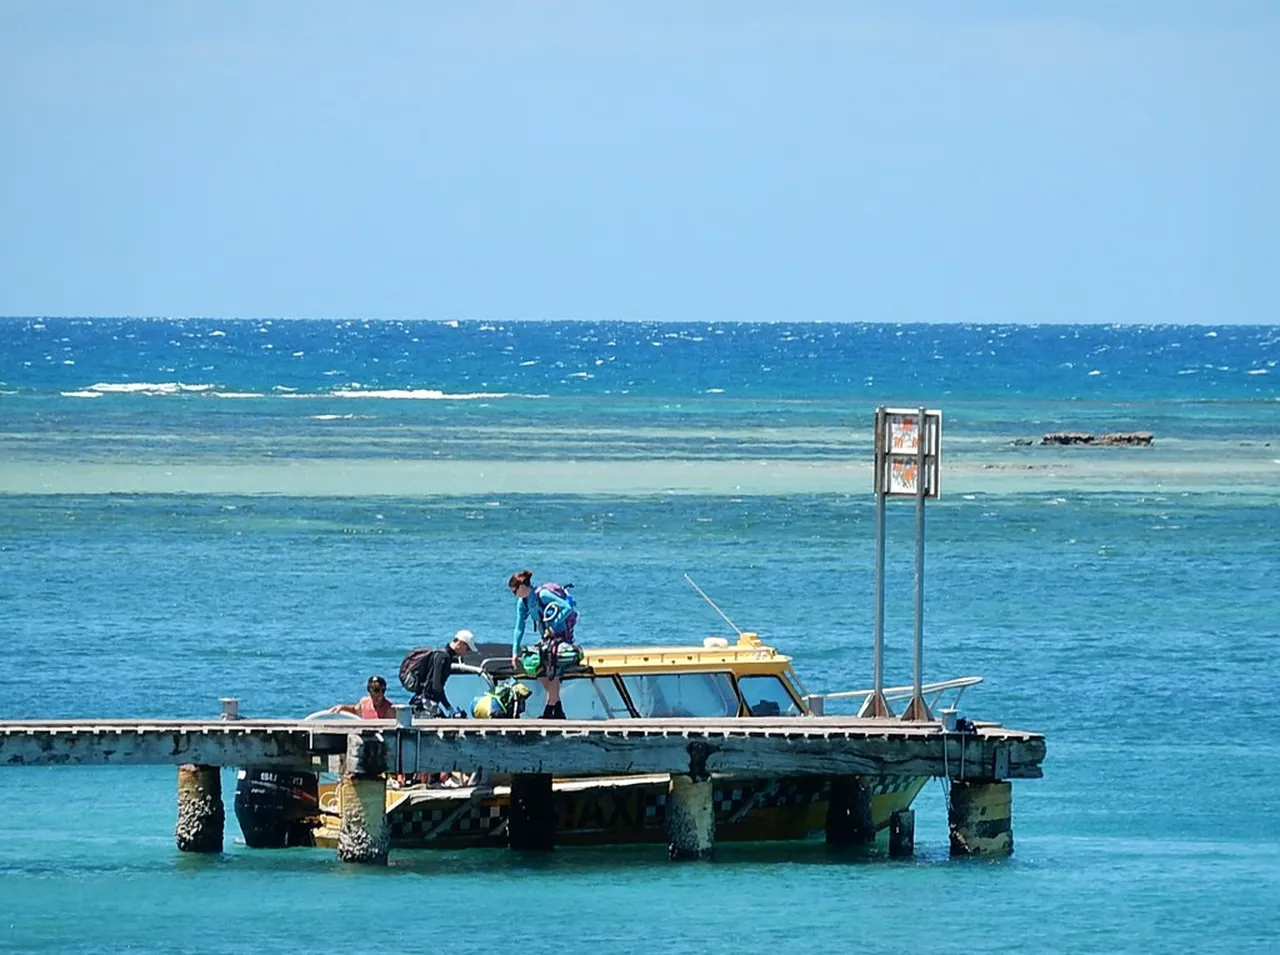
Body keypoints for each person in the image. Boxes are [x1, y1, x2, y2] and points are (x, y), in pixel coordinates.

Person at [508, 569, 579, 720]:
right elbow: (519, 627)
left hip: (561, 636)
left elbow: (567, 608)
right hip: (547, 638)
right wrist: (515, 651)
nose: (514, 595)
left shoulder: (543, 595)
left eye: (514, 591)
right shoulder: (523, 602)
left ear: (521, 587)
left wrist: (553, 624)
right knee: (537, 667)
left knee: (551, 670)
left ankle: (549, 711)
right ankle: (557, 709)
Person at [403, 628, 478, 717]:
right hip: (426, 703)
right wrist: (449, 708)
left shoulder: (442, 655)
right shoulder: (443, 657)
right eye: (467, 649)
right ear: (460, 644)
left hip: (424, 701)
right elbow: (436, 687)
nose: (467, 652)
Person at [328, 675, 395, 719]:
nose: (376, 697)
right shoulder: (364, 702)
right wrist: (342, 707)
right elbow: (354, 710)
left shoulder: (389, 709)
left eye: (380, 692)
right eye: (374, 692)